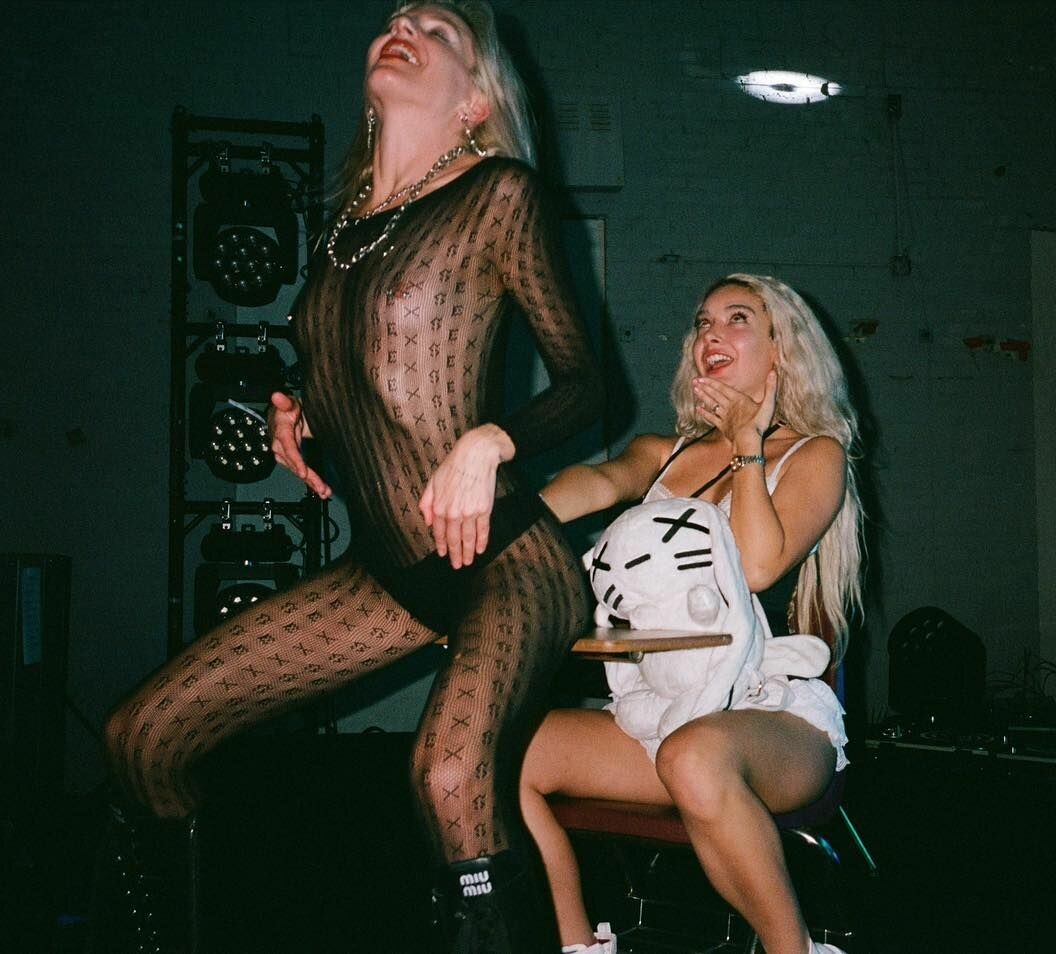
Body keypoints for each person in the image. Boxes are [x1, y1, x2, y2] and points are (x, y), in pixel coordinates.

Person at [102, 3, 599, 950]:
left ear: (477, 101)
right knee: (142, 737)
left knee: (447, 777)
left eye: (439, 30)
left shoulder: (499, 193)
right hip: (390, 572)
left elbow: (587, 384)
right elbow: (368, 386)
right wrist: (299, 408)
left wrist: (492, 440)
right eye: (396, 17)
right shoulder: (344, 231)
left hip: (510, 560)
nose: (404, 24)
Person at [521, 274, 864, 954]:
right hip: (665, 711)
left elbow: (758, 567)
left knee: (695, 757)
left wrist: (747, 444)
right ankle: (578, 946)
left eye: (738, 319)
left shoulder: (815, 454)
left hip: (775, 717)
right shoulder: (665, 453)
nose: (711, 333)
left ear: (783, 349)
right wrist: (507, 515)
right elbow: (597, 481)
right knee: (505, 753)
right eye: (703, 322)